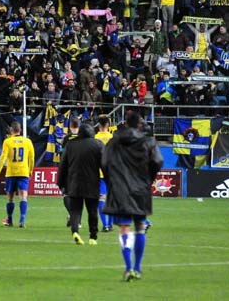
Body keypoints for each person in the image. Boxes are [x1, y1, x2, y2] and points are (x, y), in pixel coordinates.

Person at [102, 113, 163, 281]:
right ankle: (137, 268)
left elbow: (105, 163)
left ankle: (128, 267)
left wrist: (112, 182)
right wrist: (147, 179)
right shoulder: (148, 142)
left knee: (124, 228)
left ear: (126, 124)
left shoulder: (114, 142)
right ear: (139, 125)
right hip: (140, 189)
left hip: (120, 188)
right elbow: (158, 161)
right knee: (140, 227)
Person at [58, 122, 104, 245]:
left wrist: (60, 182)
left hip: (74, 182)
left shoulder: (70, 145)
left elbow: (63, 166)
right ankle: (93, 237)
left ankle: (75, 231)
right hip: (92, 183)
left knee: (75, 211)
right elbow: (105, 165)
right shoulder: (98, 145)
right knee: (92, 211)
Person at [0, 121, 34, 228]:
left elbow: (3, 158)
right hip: (23, 171)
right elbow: (32, 158)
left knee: (10, 198)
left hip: (11, 172)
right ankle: (22, 220)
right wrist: (31, 170)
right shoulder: (28, 142)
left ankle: (10, 220)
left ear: (11, 130)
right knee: (23, 196)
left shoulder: (7, 142)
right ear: (20, 130)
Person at [95, 115, 114, 232]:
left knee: (101, 199)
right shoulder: (112, 138)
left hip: (99, 172)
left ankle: (105, 225)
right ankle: (110, 224)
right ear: (108, 125)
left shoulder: (95, 138)